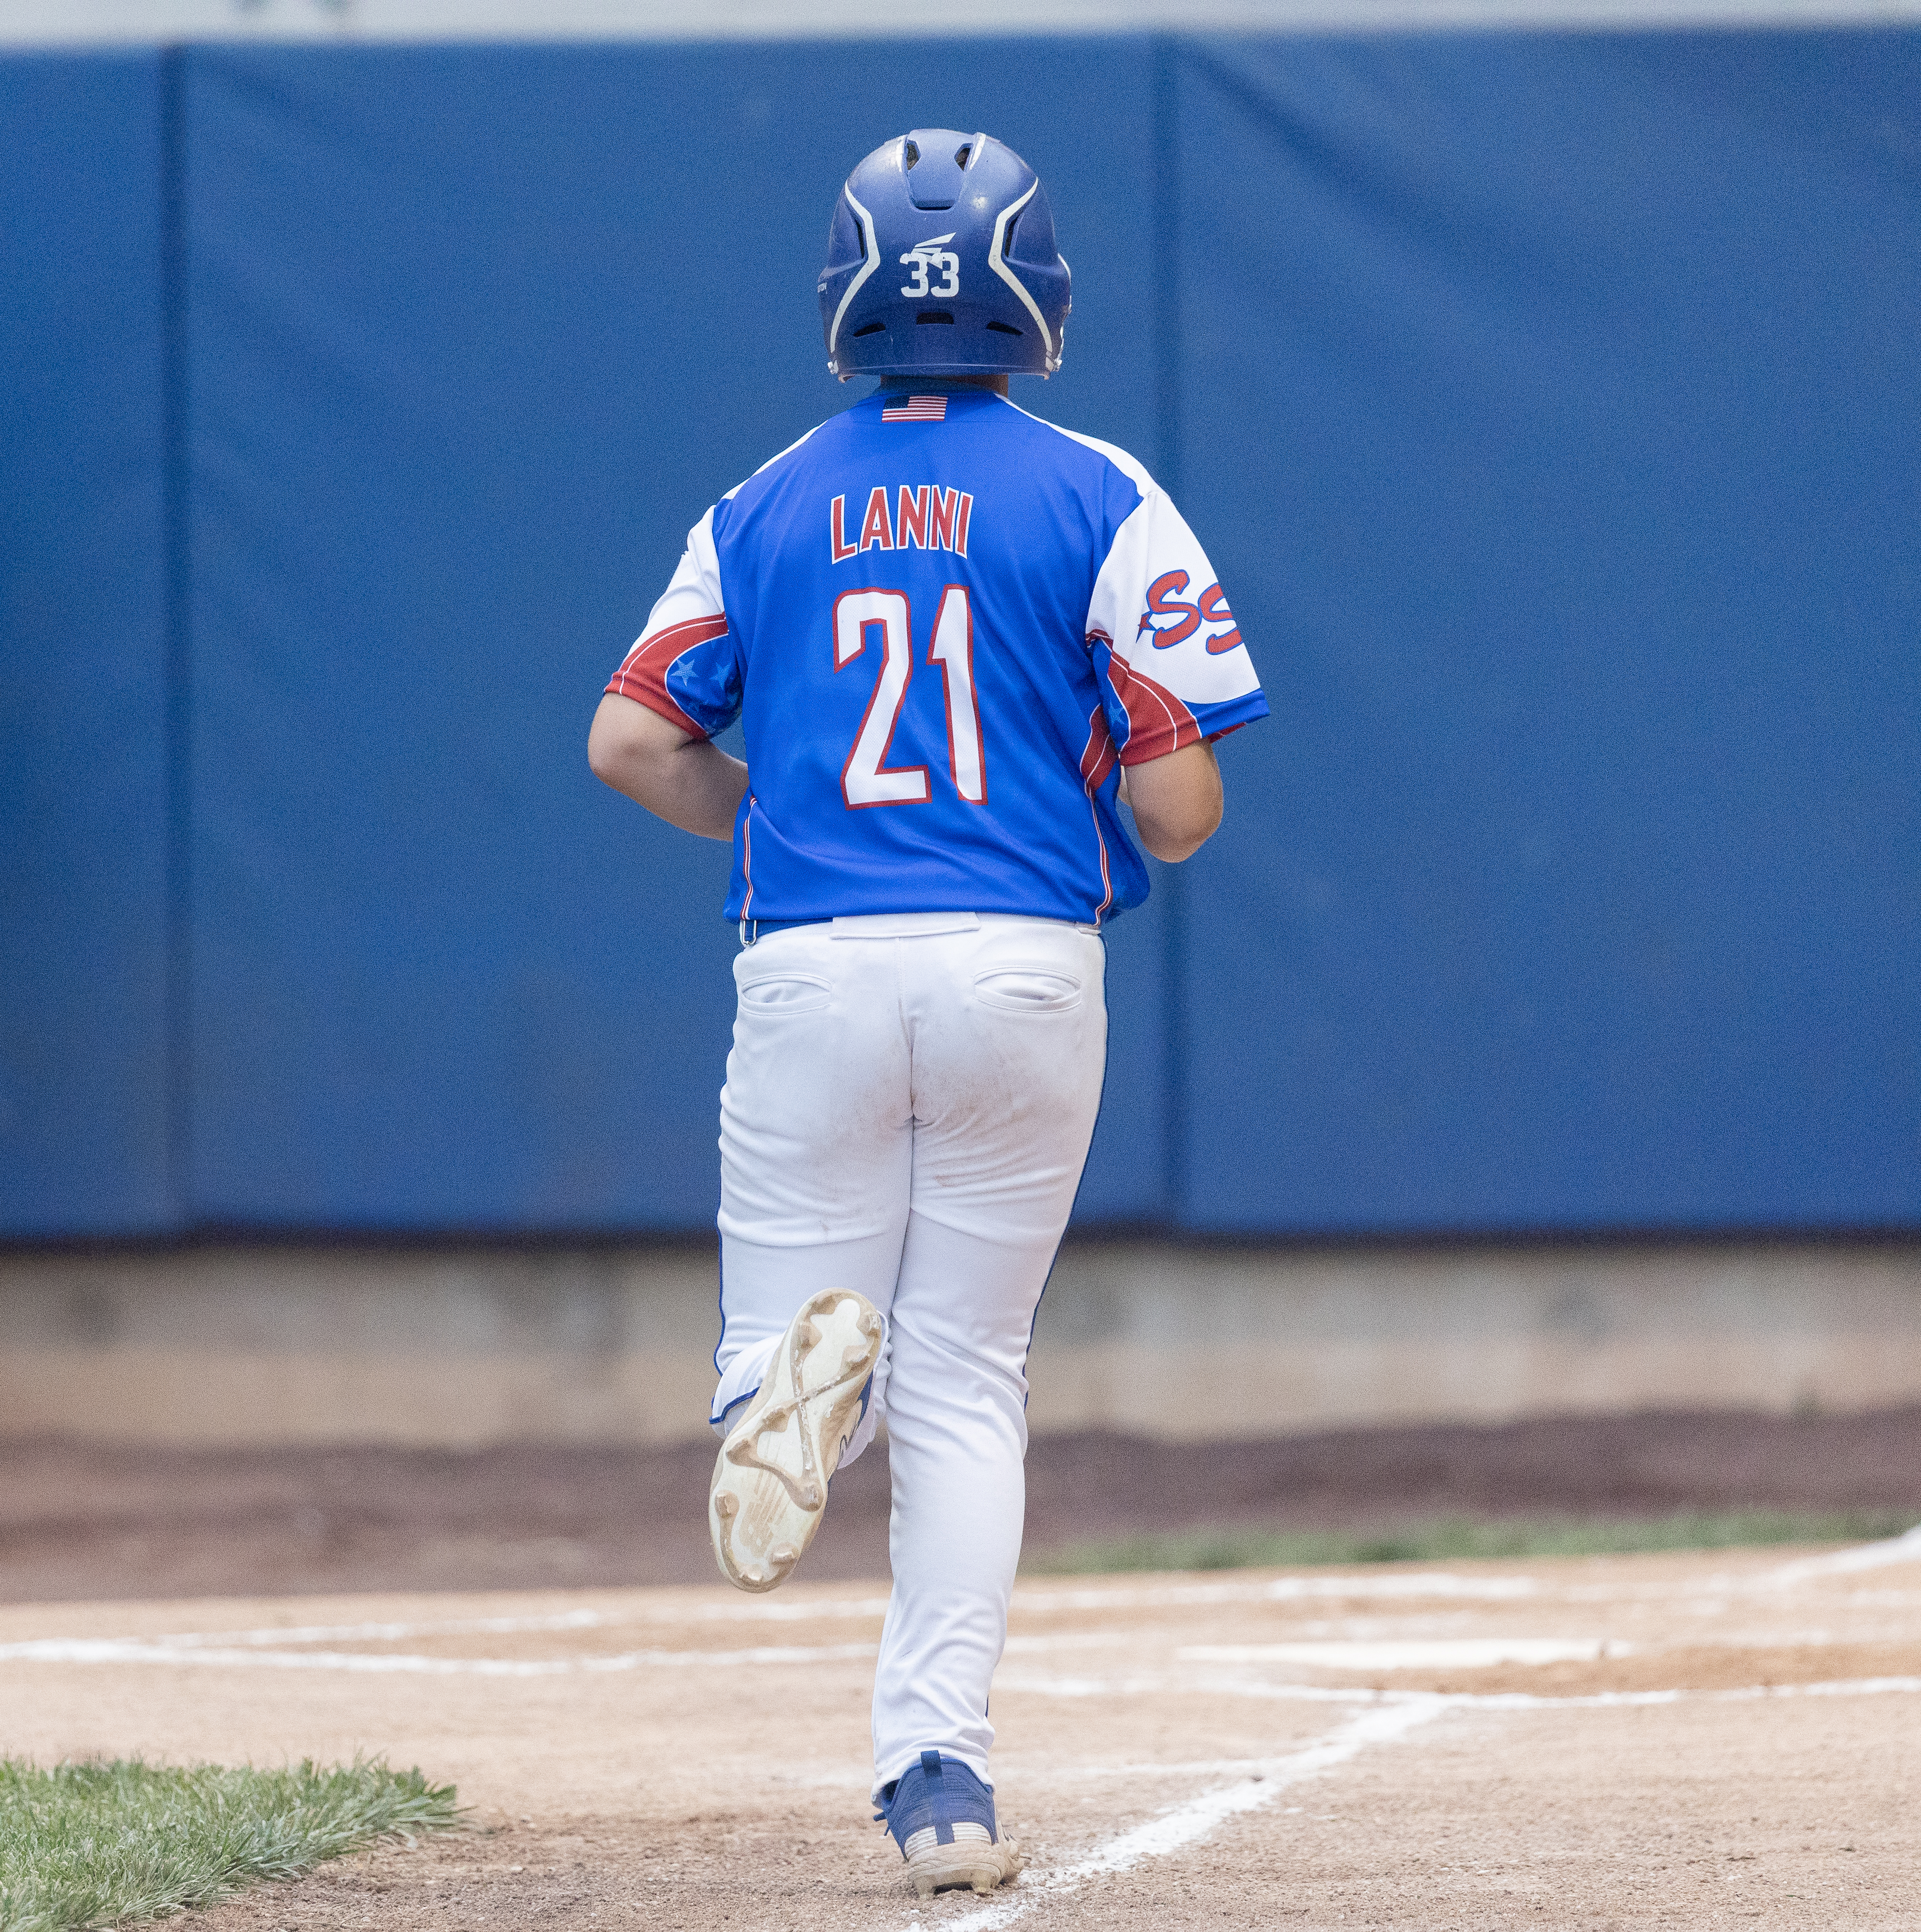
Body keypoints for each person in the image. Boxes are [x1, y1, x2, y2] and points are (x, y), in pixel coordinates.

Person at [587, 128, 1266, 1899]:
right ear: (1034, 295)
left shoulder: (761, 502)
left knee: (798, 1324)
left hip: (815, 953)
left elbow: (632, 741)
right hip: (1023, 966)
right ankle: (938, 1780)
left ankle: (781, 1395)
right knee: (970, 1376)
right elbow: (1182, 812)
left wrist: (774, 803)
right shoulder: (1104, 492)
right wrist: (1104, 783)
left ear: (846, 294)